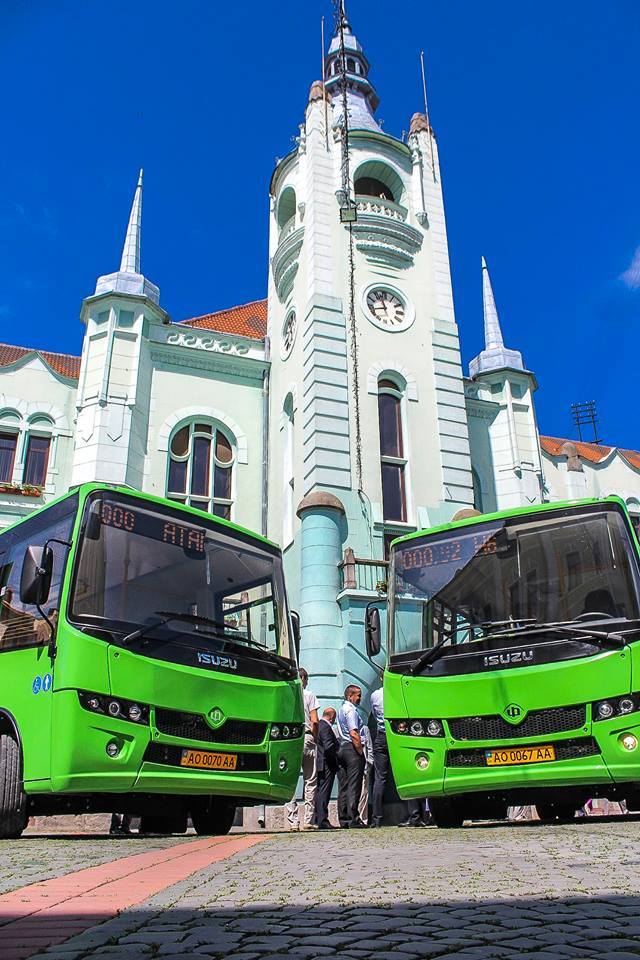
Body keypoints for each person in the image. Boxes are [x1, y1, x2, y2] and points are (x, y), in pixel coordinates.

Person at [285, 666, 319, 830]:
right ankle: (308, 820)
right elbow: (315, 721)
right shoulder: (309, 695)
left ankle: (293, 822)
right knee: (310, 780)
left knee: (290, 781)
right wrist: (315, 737)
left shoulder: (288, 696)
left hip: (291, 738)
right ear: (304, 679)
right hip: (307, 737)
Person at [336, 683, 367, 828]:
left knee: (343, 786)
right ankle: (353, 818)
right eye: (358, 695)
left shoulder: (341, 709)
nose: (360, 698)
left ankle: (344, 819)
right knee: (354, 785)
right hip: (351, 749)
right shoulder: (351, 711)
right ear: (350, 696)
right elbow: (354, 733)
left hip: (342, 747)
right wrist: (360, 751)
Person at [315, 707, 339, 829]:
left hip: (322, 763)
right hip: (326, 764)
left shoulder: (320, 725)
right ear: (332, 716)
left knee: (320, 791)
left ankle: (318, 818)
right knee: (324, 792)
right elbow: (329, 747)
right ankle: (322, 819)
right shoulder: (325, 726)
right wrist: (334, 763)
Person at [370, 680, 388, 827]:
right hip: (396, 734)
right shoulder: (395, 692)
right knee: (405, 773)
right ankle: (415, 815)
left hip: (381, 734)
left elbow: (375, 715)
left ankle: (377, 818)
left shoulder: (375, 695)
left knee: (379, 778)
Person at [358, 724, 374, 825]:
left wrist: (369, 765)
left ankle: (362, 819)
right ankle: (358, 819)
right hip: (353, 766)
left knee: (363, 794)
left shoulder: (364, 728)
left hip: (363, 768)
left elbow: (369, 748)